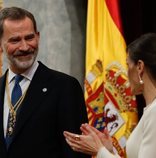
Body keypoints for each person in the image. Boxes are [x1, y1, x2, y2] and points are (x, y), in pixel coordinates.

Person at [0, 6, 90, 158]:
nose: (24, 47)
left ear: (38, 36)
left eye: (29, 38)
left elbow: (77, 153)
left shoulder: (65, 87)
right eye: (15, 40)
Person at [64, 33, 156, 158]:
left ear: (140, 67)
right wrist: (109, 151)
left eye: (127, 65)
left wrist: (99, 151)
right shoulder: (152, 109)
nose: (124, 72)